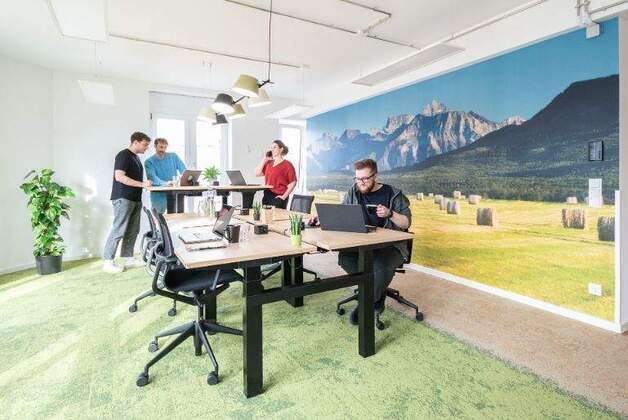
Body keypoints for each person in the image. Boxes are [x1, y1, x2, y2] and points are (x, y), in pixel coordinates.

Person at [309, 158, 412, 325]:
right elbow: (341, 213)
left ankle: (367, 304)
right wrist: (322, 218)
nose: (361, 183)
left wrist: (390, 213)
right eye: (358, 179)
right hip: (362, 243)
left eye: (365, 178)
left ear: (375, 176)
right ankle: (377, 293)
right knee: (346, 258)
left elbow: (406, 223)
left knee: (380, 266)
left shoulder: (394, 194)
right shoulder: (354, 191)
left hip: (391, 245)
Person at [102, 132, 153, 273]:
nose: (146, 148)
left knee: (133, 230)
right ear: (135, 142)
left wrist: (144, 185)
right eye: (145, 145)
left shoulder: (136, 157)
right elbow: (119, 177)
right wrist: (142, 184)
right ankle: (107, 261)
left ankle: (128, 258)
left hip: (135, 199)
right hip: (123, 198)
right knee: (119, 229)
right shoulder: (123, 155)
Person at [144, 138, 187, 213]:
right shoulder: (149, 162)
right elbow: (153, 178)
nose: (163, 150)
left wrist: (185, 178)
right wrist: (166, 183)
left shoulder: (173, 156)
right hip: (158, 195)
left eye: (165, 147)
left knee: (175, 216)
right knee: (159, 217)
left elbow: (183, 170)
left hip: (173, 192)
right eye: (161, 147)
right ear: (155, 146)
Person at [255, 140, 297, 209]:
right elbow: (257, 173)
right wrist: (265, 159)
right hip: (267, 195)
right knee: (265, 215)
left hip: (279, 196)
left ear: (281, 149)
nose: (272, 149)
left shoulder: (287, 165)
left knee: (277, 215)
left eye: (275, 147)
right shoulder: (269, 163)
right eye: (271, 148)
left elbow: (293, 182)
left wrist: (284, 197)